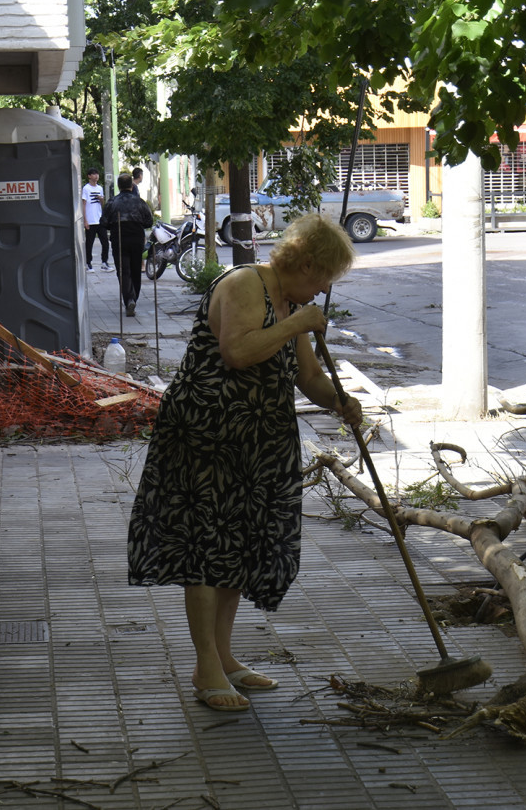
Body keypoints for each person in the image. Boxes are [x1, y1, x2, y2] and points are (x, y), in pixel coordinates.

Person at [127, 213, 362, 712]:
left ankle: (225, 657)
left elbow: (308, 375)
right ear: (303, 262)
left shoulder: (290, 300)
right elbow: (237, 350)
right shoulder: (244, 283)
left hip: (259, 440)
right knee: (206, 549)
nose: (323, 290)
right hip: (207, 436)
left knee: (238, 547)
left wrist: (339, 401)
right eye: (323, 277)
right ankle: (204, 664)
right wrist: (298, 322)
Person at [101, 172, 155, 317]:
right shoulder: (139, 202)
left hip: (119, 239)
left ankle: (129, 299)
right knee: (136, 269)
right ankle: (134, 298)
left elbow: (103, 222)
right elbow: (149, 221)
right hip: (137, 238)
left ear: (119, 186)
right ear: (131, 185)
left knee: (123, 270)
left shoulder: (112, 202)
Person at [82, 168, 111, 273]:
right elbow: (83, 204)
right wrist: (85, 220)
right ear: (89, 176)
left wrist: (101, 199)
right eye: (94, 174)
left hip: (99, 220)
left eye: (97, 174)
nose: (96, 176)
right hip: (90, 220)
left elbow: (102, 204)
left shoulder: (100, 188)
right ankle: (88, 263)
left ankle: (104, 262)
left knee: (105, 242)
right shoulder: (86, 189)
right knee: (89, 243)